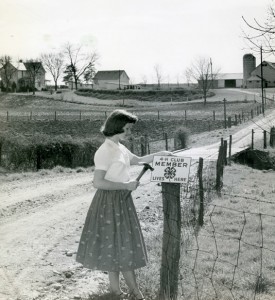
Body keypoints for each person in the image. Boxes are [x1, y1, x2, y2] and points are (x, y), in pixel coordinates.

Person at [76, 109, 172, 299]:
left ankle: (115, 290)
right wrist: (125, 185)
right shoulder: (104, 151)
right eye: (127, 129)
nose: (130, 133)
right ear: (116, 127)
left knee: (118, 244)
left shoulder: (119, 147)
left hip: (121, 200)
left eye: (130, 129)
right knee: (119, 245)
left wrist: (161, 153)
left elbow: (137, 160)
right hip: (108, 202)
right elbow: (98, 182)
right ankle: (136, 294)